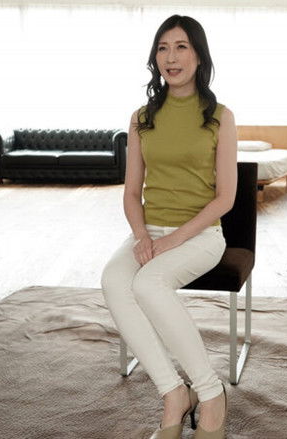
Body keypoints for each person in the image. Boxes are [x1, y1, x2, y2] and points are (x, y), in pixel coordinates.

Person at [100, 14, 236, 439]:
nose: (170, 57)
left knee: (148, 284)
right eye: (162, 48)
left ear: (199, 56)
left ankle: (210, 394)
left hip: (201, 235)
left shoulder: (220, 117)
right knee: (113, 280)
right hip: (150, 232)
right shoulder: (141, 118)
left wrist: (174, 239)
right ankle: (174, 393)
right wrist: (143, 236)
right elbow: (131, 193)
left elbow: (225, 198)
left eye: (181, 47)